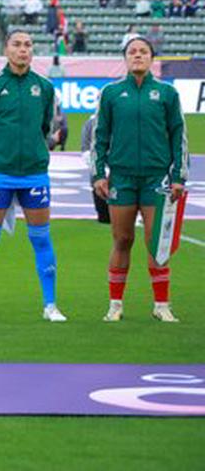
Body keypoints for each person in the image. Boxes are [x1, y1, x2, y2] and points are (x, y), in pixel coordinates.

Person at [0, 29, 66, 323]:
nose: (23, 50)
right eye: (17, 45)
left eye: (28, 45)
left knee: (41, 238)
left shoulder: (45, 87)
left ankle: (50, 305)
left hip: (35, 174)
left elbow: (47, 128)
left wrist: (34, 152)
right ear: (6, 50)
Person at [92, 37, 187, 323]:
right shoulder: (110, 93)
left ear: (151, 58)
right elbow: (100, 137)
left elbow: (178, 137)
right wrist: (98, 174)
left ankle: (161, 305)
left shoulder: (167, 94)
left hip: (156, 179)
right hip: (121, 177)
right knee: (122, 239)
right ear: (125, 58)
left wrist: (178, 176)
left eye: (143, 51)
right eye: (132, 52)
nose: (137, 55)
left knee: (156, 242)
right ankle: (115, 304)